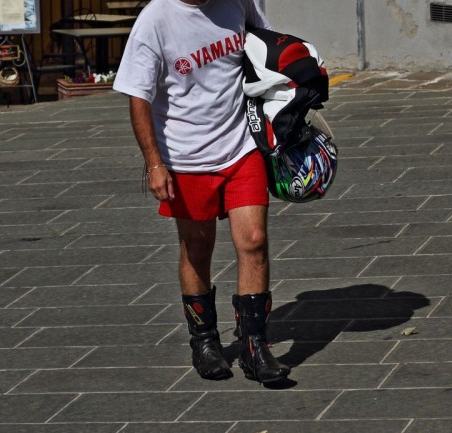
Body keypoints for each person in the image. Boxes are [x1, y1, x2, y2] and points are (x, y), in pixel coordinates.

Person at [113, 0, 290, 384]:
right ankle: (205, 342)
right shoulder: (155, 19)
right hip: (185, 156)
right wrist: (154, 163)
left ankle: (255, 347)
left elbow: (270, 48)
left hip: (242, 147)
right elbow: (137, 96)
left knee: (254, 240)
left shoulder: (239, 2)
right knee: (197, 246)